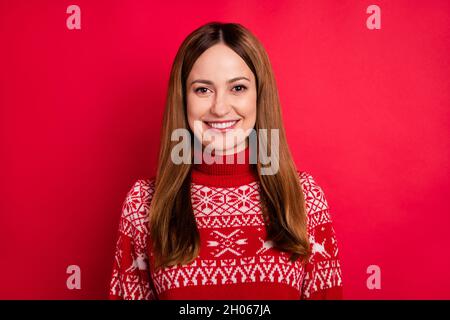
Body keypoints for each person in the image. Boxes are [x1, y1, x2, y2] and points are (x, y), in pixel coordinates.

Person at [108, 21, 343, 300]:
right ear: (183, 99)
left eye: (238, 88)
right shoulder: (144, 203)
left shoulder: (304, 198)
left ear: (260, 96)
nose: (219, 108)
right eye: (203, 90)